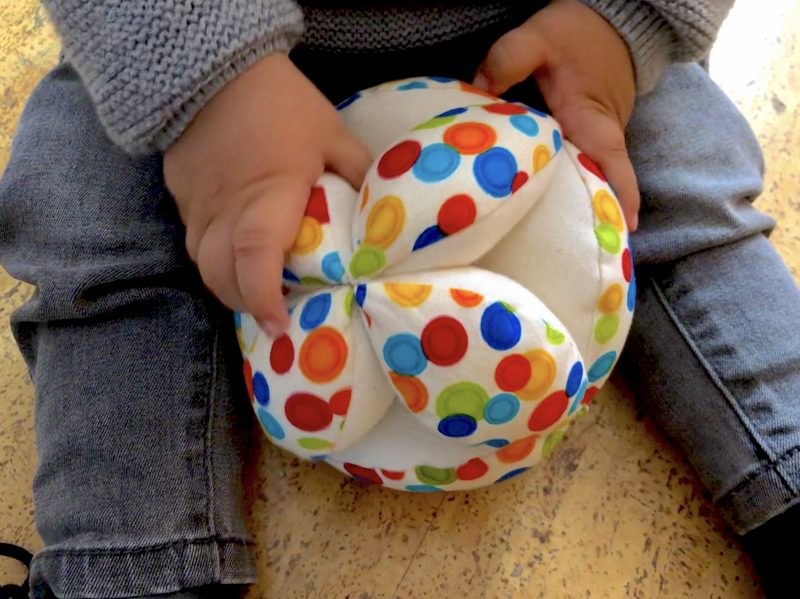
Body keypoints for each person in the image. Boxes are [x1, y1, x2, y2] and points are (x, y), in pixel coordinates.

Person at [0, 0, 798, 597]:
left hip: (540, 32)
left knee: (683, 201)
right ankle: (132, 561)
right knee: (85, 226)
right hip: (194, 52)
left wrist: (631, 19)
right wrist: (202, 77)